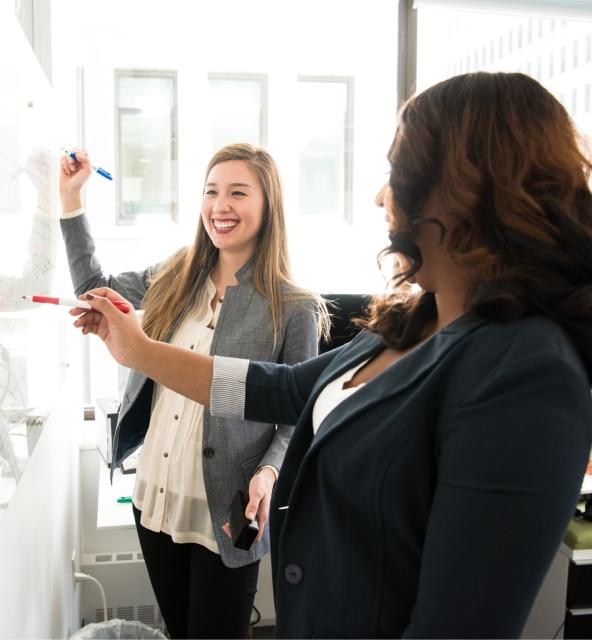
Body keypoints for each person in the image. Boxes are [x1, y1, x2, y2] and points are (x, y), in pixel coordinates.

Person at [70, 73, 592, 638]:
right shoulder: (409, 322)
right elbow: (285, 388)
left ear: (466, 189)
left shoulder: (526, 371)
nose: (378, 196)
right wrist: (141, 352)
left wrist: (265, 470)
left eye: (397, 172)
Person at [59, 143, 327, 639]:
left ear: (269, 206)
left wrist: (269, 472)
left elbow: (299, 413)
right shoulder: (176, 275)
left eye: (238, 193)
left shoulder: (294, 307)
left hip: (227, 510)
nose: (220, 206)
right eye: (211, 192)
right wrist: (71, 200)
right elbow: (94, 286)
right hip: (156, 497)